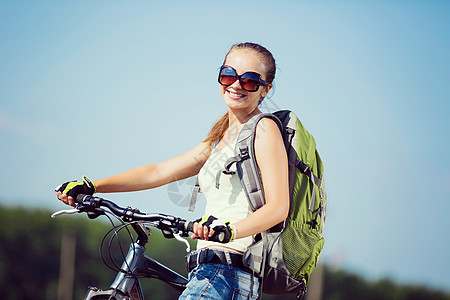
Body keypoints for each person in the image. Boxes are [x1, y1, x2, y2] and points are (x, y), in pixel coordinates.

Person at [55, 42, 289, 299]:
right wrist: (93, 185)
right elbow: (159, 172)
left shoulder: (265, 130)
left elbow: (278, 207)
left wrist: (229, 230)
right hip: (208, 270)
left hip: (228, 272)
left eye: (249, 81)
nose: (235, 84)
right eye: (228, 74)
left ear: (265, 89)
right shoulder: (221, 137)